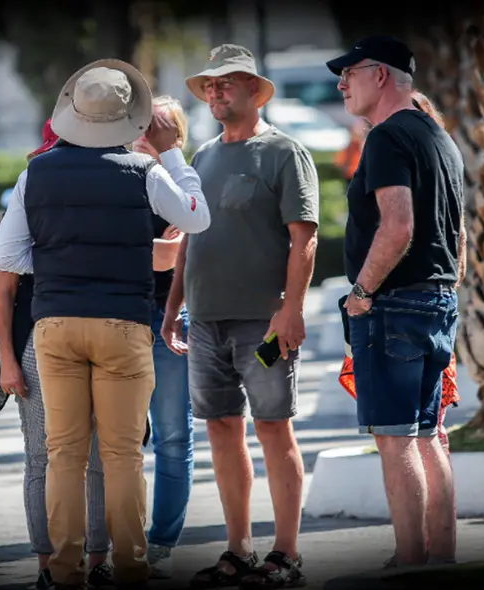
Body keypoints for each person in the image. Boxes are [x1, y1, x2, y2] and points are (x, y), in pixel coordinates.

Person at [0, 59, 210, 590]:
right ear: (129, 118)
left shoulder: (34, 173)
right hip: (123, 324)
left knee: (64, 453)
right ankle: (131, 567)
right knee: (122, 454)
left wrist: (65, 256)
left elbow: (8, 255)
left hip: (56, 325)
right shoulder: (145, 171)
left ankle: (63, 572)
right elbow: (197, 217)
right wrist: (174, 150)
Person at [164, 43, 320, 589]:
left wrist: (291, 311)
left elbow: (304, 238)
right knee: (221, 430)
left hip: (263, 323)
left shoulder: (284, 153)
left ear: (255, 91)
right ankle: (239, 550)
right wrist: (173, 307)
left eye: (227, 82)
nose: (215, 91)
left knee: (274, 429)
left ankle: (287, 553)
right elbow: (188, 243)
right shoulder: (202, 158)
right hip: (205, 323)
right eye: (209, 84)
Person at [325, 36, 466, 567]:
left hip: (393, 306)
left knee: (396, 438)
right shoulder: (439, 136)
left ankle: (411, 560)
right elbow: (459, 235)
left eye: (350, 73)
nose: (342, 84)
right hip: (435, 301)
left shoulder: (386, 137)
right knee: (429, 435)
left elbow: (399, 225)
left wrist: (362, 294)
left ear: (380, 75)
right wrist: (446, 287)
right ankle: (440, 557)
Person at [0, 119, 116, 590]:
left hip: (96, 332)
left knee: (95, 456)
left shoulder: (111, 180)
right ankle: (47, 566)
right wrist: (8, 361)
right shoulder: (33, 185)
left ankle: (97, 561)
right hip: (39, 339)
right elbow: (5, 286)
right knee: (42, 457)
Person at [129, 95, 196, 579]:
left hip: (170, 315)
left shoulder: (183, 182)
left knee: (172, 435)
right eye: (143, 123)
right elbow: (159, 253)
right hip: (122, 319)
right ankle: (119, 541)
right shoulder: (122, 176)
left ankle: (162, 543)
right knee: (119, 440)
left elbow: (174, 258)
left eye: (160, 125)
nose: (148, 132)